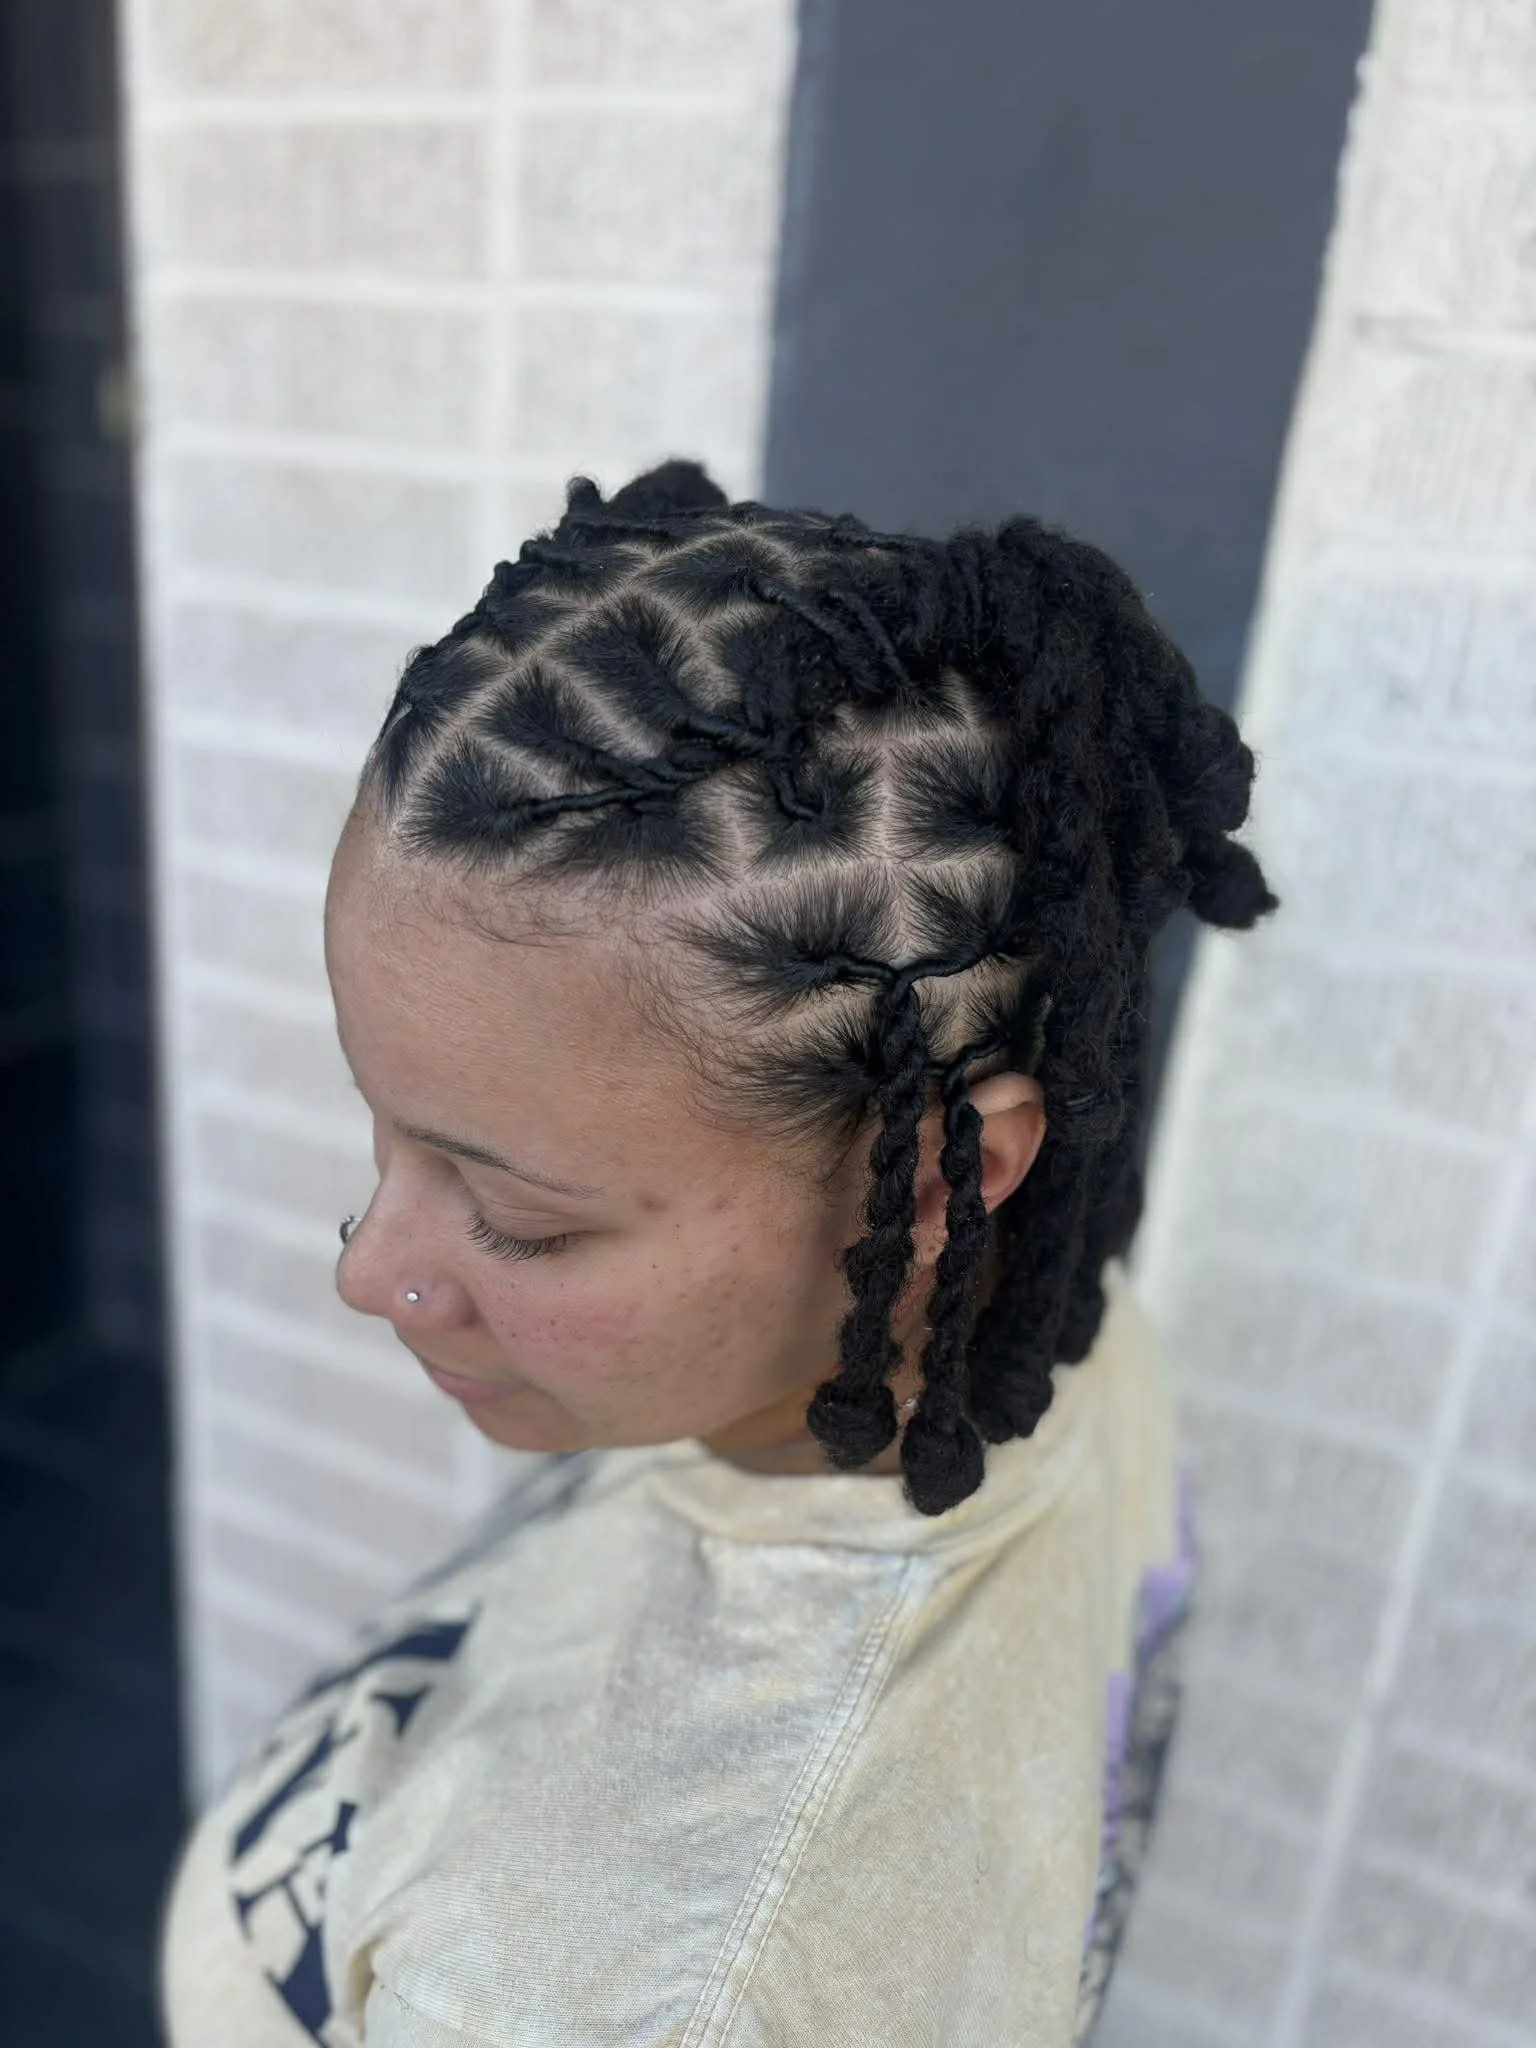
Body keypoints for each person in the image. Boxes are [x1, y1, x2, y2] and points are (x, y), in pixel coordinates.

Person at [159, 460, 1277, 2046]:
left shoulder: (669, 1988)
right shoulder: (1041, 1334)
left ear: (963, 1171)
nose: (370, 1266)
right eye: (384, 1131)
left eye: (522, 1220)